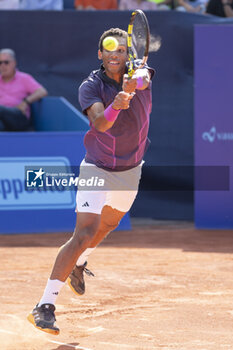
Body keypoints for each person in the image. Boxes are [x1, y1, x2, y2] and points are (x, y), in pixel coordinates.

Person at [27, 27, 154, 335]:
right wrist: (118, 102)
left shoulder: (141, 71)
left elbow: (143, 79)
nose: (116, 54)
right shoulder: (90, 86)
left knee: (108, 226)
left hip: (131, 169)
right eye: (110, 49)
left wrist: (132, 85)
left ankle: (80, 264)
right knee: (84, 232)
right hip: (97, 168)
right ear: (101, 54)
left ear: (129, 54)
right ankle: (44, 306)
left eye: (122, 50)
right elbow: (99, 124)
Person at [0, 48, 48, 131]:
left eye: (6, 62)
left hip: (18, 117)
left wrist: (25, 102)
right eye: (0, 63)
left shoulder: (24, 78)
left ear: (14, 63)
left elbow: (42, 91)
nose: (2, 66)